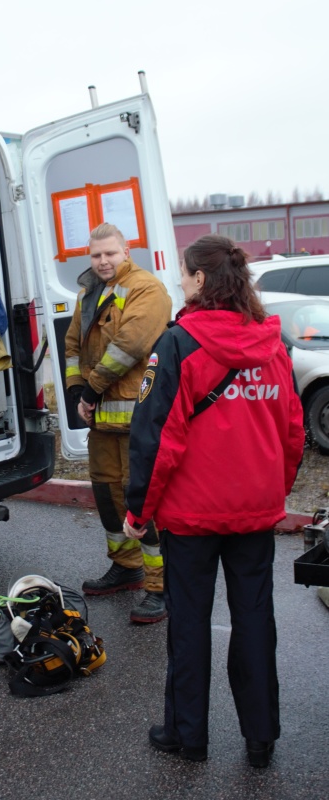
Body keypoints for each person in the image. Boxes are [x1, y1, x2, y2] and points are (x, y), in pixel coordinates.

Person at [123, 234, 304, 766]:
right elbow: (292, 430)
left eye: (183, 273)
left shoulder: (179, 343)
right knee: (254, 620)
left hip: (191, 515)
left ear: (200, 280)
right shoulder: (273, 345)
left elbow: (156, 438)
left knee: (189, 623)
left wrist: (139, 510)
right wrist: (275, 487)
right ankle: (260, 738)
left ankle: (188, 736)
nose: (181, 281)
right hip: (253, 510)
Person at [65, 223, 172, 622]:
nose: (103, 261)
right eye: (96, 255)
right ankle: (126, 567)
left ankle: (161, 586)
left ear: (126, 251)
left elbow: (130, 347)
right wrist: (77, 390)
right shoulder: (89, 291)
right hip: (100, 424)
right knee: (108, 496)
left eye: (110, 253)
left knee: (139, 499)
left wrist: (91, 391)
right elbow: (73, 343)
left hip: (137, 419)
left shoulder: (147, 289)